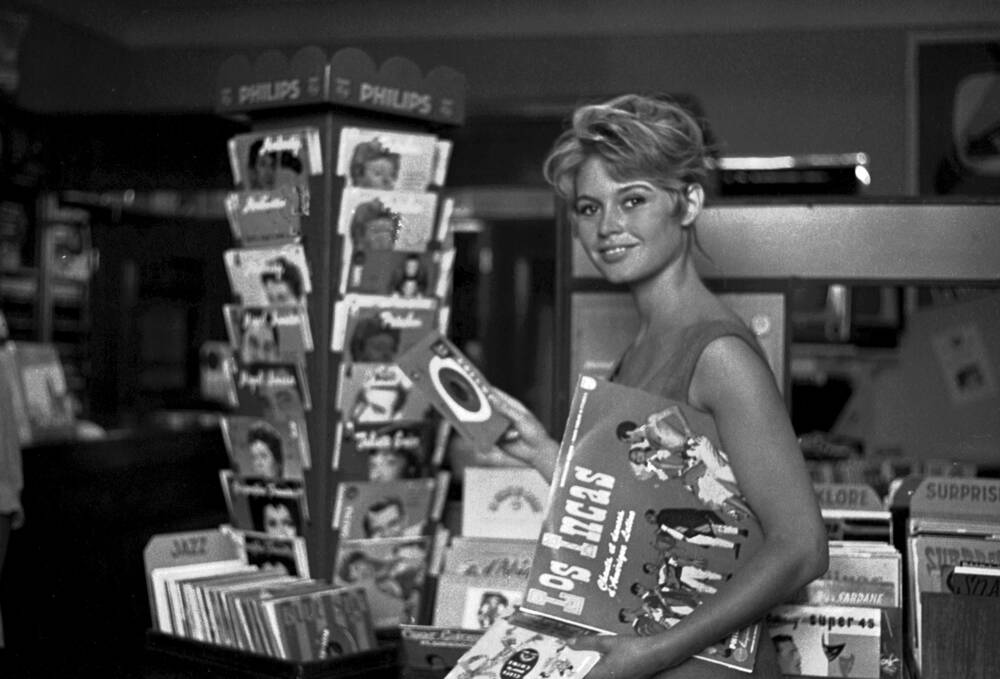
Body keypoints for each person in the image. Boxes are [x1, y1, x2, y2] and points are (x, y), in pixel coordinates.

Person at [488, 94, 828, 679]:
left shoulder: (717, 352)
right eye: (589, 207)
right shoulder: (641, 349)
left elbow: (801, 548)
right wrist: (543, 451)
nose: (607, 227)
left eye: (634, 200)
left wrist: (656, 651)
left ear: (689, 201)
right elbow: (640, 513)